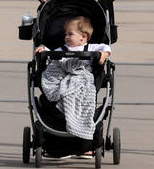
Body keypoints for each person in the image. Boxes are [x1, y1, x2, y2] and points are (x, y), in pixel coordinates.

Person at [35, 16, 111, 153]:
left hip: (83, 80)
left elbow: (105, 48)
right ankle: (58, 145)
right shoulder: (61, 49)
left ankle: (85, 146)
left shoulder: (91, 47)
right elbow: (49, 52)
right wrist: (42, 48)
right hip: (63, 79)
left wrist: (103, 54)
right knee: (49, 97)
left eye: (70, 34)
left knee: (84, 100)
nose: (66, 37)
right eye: (65, 34)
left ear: (83, 37)